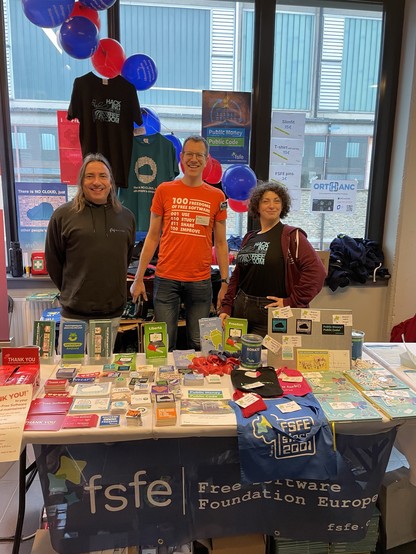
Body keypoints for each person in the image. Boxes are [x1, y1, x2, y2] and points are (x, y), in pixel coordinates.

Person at [130, 135, 229, 350]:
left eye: (199, 155)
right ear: (181, 157)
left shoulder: (217, 197)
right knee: (164, 343)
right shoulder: (164, 190)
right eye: (189, 154)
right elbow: (152, 236)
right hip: (166, 279)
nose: (194, 159)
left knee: (199, 343)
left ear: (207, 159)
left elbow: (221, 244)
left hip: (200, 281)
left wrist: (224, 282)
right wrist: (138, 278)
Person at [45, 153, 136, 351]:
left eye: (103, 176)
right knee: (70, 371)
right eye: (90, 176)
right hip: (74, 314)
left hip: (111, 313)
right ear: (81, 181)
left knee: (103, 373)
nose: (97, 182)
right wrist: (74, 290)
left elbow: (125, 258)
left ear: (111, 181)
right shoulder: (63, 215)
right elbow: (53, 261)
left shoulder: (126, 217)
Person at [219, 182, 326, 336]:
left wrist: (291, 301)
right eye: (266, 201)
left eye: (277, 201)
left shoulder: (292, 236)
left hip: (270, 312)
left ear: (283, 206)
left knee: (267, 358)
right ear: (257, 206)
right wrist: (227, 306)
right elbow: (238, 275)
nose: (272, 205)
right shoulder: (250, 237)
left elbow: (317, 272)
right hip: (240, 309)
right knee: (236, 356)